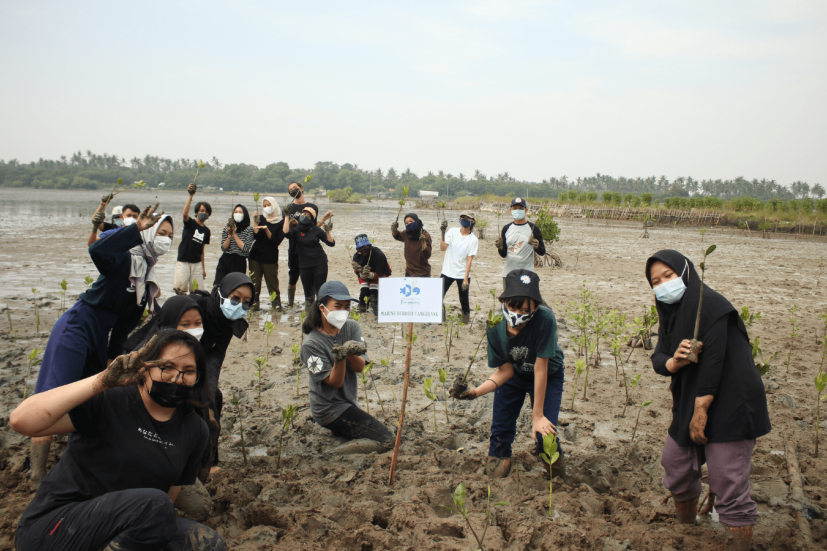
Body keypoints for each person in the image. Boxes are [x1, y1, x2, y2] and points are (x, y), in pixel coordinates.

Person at [11, 330, 226, 551]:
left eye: (188, 371)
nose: (177, 378)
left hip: (127, 527)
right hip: (55, 528)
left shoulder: (194, 429)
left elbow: (170, 497)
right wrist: (101, 381)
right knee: (154, 504)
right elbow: (21, 421)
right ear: (145, 368)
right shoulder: (108, 401)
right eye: (167, 367)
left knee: (207, 543)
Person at [32, 204, 171, 485]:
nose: (166, 239)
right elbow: (97, 250)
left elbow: (122, 329)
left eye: (170, 235)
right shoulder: (122, 259)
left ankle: (79, 460)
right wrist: (134, 229)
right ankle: (36, 477)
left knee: (91, 399)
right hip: (77, 326)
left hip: (99, 337)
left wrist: (112, 358)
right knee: (52, 394)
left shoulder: (146, 280)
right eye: (162, 232)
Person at [646, 250, 770, 548]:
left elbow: (713, 363)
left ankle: (737, 537)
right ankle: (686, 528)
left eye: (669, 276)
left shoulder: (713, 307)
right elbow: (660, 356)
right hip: (691, 397)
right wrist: (674, 363)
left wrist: (701, 410)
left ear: (686, 273)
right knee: (674, 464)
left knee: (726, 478)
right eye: (656, 281)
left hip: (731, 400)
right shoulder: (670, 313)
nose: (663, 285)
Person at [451, 269, 566, 480]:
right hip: (515, 376)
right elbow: (505, 371)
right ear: (503, 300)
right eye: (513, 307)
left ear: (536, 306)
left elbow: (541, 367)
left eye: (524, 310)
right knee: (500, 430)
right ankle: (497, 468)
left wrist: (537, 416)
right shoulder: (494, 327)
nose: (517, 314)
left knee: (544, 433)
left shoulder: (545, 320)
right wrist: (475, 392)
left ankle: (557, 477)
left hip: (547, 376)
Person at [301, 281, 394, 449]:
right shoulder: (311, 344)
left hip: (348, 403)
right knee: (387, 439)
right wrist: (340, 357)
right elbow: (335, 382)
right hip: (328, 408)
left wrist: (349, 352)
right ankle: (334, 455)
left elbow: (359, 367)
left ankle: (343, 433)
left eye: (347, 306)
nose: (343, 311)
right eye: (337, 306)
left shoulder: (351, 327)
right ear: (322, 307)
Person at [189, 273, 253, 469]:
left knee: (212, 400)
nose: (239, 305)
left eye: (246, 302)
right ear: (221, 292)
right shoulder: (195, 306)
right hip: (171, 366)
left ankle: (208, 462)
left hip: (196, 369)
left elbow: (215, 357)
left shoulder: (228, 322)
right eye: (235, 298)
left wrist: (206, 391)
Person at [283, 181, 333, 309]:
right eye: (291, 189)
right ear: (289, 193)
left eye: (295, 187)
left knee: (316, 281)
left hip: (311, 249)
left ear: (302, 188)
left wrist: (324, 221)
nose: (293, 190)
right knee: (293, 275)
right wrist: (289, 221)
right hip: (294, 247)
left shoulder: (312, 207)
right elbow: (285, 231)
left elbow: (313, 228)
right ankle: (290, 304)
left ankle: (317, 305)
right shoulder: (289, 208)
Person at [439, 211, 479, 324]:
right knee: (438, 295)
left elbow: (469, 260)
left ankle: (465, 319)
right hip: (447, 271)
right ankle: (441, 316)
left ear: (473, 221)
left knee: (463, 299)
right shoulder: (452, 232)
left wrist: (466, 278)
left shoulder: (473, 240)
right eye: (462, 217)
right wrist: (442, 233)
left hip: (462, 273)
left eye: (467, 218)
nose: (464, 219)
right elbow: (443, 248)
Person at [495, 198, 545, 288]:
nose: (518, 210)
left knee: (526, 301)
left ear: (526, 210)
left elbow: (542, 251)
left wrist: (537, 246)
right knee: (509, 301)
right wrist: (500, 247)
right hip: (508, 274)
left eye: (521, 208)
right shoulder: (506, 229)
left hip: (526, 274)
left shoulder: (533, 228)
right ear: (511, 210)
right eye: (515, 208)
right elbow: (504, 254)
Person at [174, 182, 211, 294]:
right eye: (201, 211)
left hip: (197, 263)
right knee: (181, 289)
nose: (203, 213)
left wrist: (203, 268)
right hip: (184, 260)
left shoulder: (207, 231)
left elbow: (202, 250)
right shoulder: (190, 223)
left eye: (206, 212)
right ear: (196, 212)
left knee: (197, 290)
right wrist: (191, 196)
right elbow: (185, 214)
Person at [249, 196, 285, 311]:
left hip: (270, 258)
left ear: (274, 205)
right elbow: (255, 235)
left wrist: (266, 229)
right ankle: (254, 307)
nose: (266, 208)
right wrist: (255, 221)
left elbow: (276, 241)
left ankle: (276, 307)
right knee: (255, 284)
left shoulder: (281, 221)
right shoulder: (261, 218)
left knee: (272, 285)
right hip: (255, 256)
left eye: (268, 205)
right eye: (264, 206)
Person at [213, 204, 254, 286]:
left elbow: (245, 248)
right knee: (218, 285)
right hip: (226, 258)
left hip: (239, 260)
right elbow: (224, 248)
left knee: (234, 286)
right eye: (236, 212)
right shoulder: (227, 228)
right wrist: (229, 234)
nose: (238, 213)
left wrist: (235, 234)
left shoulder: (249, 230)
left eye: (240, 212)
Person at [350, 234, 392, 314]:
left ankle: (378, 310)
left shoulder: (379, 255)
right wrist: (362, 273)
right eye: (360, 249)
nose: (363, 251)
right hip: (365, 277)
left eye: (364, 248)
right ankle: (363, 309)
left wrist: (369, 275)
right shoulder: (356, 257)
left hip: (380, 275)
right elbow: (359, 275)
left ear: (369, 246)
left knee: (374, 296)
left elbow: (381, 273)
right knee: (363, 296)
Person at [390, 212, 432, 277]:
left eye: (411, 221)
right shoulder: (406, 233)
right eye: (406, 223)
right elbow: (398, 236)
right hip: (409, 272)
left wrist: (423, 242)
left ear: (417, 221)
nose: (409, 224)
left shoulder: (425, 235)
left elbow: (427, 255)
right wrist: (394, 230)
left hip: (423, 273)